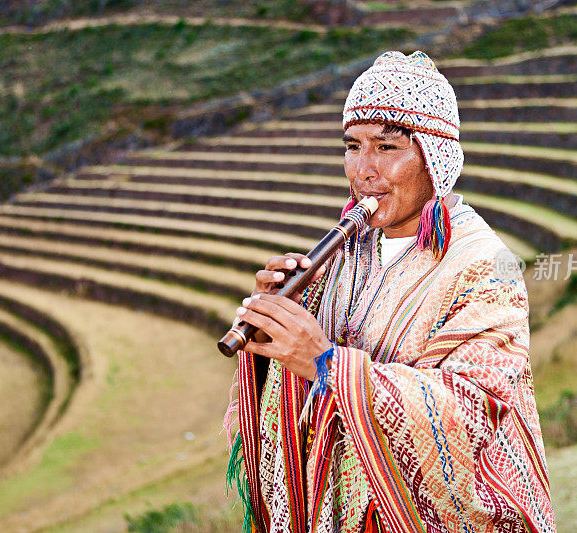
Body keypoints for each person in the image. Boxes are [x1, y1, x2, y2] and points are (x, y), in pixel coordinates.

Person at [224, 50, 556, 533]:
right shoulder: (346, 253)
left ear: (434, 157)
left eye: (386, 147)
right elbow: (295, 386)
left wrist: (326, 365)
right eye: (352, 145)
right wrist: (274, 327)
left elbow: (476, 413)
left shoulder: (485, 265)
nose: (363, 170)